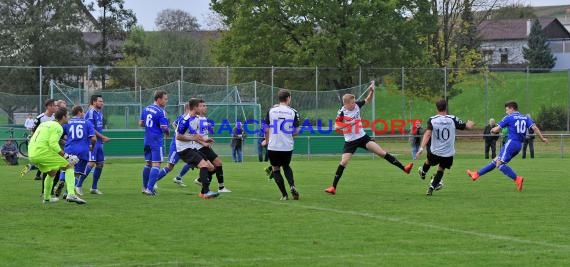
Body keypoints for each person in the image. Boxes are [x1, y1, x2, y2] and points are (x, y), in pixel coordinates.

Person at [324, 81, 413, 195]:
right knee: (344, 162)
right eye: (351, 103)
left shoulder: (356, 105)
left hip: (362, 137)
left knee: (381, 152)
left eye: (354, 101)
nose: (354, 104)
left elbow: (368, 100)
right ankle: (333, 187)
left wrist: (371, 91)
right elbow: (336, 126)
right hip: (350, 141)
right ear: (346, 104)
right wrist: (348, 124)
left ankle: (404, 168)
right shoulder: (342, 112)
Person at [467, 101, 548, 192]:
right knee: (496, 161)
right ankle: (476, 174)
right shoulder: (525, 117)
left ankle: (517, 179)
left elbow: (496, 129)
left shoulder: (509, 117)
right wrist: (542, 138)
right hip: (518, 146)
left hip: (510, 143)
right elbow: (535, 128)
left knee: (499, 164)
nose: (506, 112)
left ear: (512, 108)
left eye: (507, 109)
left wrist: (492, 130)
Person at [415, 99, 475, 195]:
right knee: (441, 169)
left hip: (435, 151)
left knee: (429, 161)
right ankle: (431, 188)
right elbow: (467, 127)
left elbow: (427, 134)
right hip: (448, 153)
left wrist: (421, 148)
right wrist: (470, 124)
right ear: (446, 107)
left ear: (437, 108)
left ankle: (423, 172)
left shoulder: (432, 119)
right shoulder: (453, 119)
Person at [28, 107, 85, 204]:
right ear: (63, 117)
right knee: (69, 166)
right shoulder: (58, 127)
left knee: (52, 172)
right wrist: (67, 156)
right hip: (42, 152)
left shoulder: (45, 124)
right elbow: (53, 144)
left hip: (32, 153)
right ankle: (71, 194)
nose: (69, 118)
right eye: (67, 116)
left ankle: (46, 198)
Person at [176, 98, 218, 199]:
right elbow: (178, 136)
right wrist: (193, 138)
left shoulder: (195, 118)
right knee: (204, 165)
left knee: (211, 167)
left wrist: (204, 141)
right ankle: (206, 192)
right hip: (183, 149)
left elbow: (194, 136)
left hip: (191, 148)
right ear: (195, 107)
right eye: (200, 106)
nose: (203, 107)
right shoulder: (185, 120)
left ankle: (203, 192)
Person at [262, 89, 300, 200]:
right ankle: (292, 186)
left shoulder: (271, 111)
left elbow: (266, 129)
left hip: (273, 146)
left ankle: (284, 195)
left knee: (275, 168)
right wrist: (287, 135)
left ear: (279, 98)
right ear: (288, 98)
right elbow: (296, 131)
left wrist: (266, 140)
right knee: (286, 166)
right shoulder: (293, 112)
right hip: (287, 146)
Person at [192, 99, 231, 193]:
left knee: (216, 166)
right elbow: (194, 135)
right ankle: (212, 188)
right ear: (197, 107)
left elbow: (203, 132)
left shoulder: (204, 118)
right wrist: (203, 142)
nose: (205, 107)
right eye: (203, 106)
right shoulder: (195, 119)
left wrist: (209, 128)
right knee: (215, 165)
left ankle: (203, 182)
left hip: (206, 146)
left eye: (205, 105)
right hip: (199, 147)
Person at [152, 103, 192, 187]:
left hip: (185, 147)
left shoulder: (191, 118)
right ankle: (153, 181)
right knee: (169, 167)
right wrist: (178, 131)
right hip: (176, 147)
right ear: (188, 109)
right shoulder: (183, 118)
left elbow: (175, 123)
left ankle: (178, 177)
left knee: (193, 161)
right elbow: (174, 123)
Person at [60, 105, 96, 196]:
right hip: (83, 150)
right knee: (77, 174)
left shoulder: (67, 123)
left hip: (69, 149)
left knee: (66, 169)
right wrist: (91, 147)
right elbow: (94, 139)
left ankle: (62, 180)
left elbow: (59, 138)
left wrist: (67, 143)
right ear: (79, 112)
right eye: (83, 112)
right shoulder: (87, 123)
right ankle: (68, 192)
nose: (84, 114)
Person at [139, 90, 170, 195]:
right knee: (156, 164)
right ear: (158, 99)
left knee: (148, 163)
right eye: (165, 99)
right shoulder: (161, 111)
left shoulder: (146, 108)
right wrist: (167, 131)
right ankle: (150, 189)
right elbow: (164, 127)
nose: (166, 101)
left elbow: (141, 123)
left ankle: (144, 187)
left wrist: (151, 126)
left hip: (147, 139)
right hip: (156, 140)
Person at [79, 95, 110, 195]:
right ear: (94, 102)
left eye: (102, 101)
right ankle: (78, 185)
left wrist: (101, 139)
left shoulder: (99, 113)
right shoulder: (91, 113)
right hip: (92, 142)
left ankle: (94, 187)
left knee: (100, 164)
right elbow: (91, 129)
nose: (102, 103)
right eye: (100, 101)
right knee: (91, 163)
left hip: (99, 142)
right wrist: (102, 137)